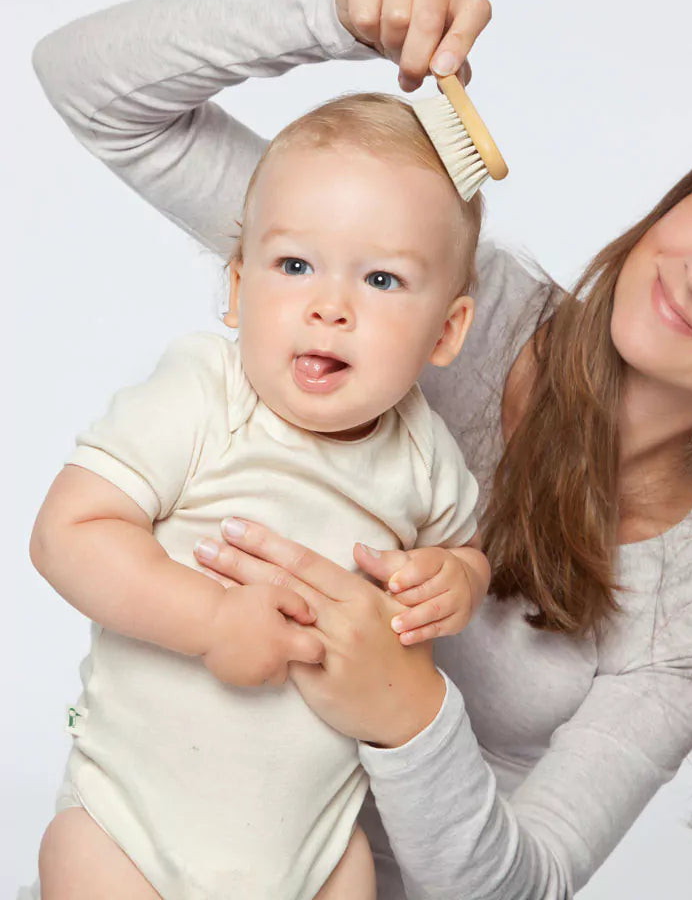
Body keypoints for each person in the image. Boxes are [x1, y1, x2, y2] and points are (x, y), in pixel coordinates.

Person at [30, 0, 692, 900]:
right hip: (142, 850)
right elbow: (89, 87)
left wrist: (409, 711)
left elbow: (524, 884)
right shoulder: (411, 296)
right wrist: (330, 12)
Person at [23, 92, 491, 899]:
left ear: (445, 332)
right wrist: (209, 622)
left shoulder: (425, 457)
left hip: (310, 851)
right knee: (75, 858)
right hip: (129, 824)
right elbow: (67, 533)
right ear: (239, 286)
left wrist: (460, 578)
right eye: (295, 265)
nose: (330, 305)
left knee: (355, 878)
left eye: (381, 278)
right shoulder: (205, 394)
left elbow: (462, 550)